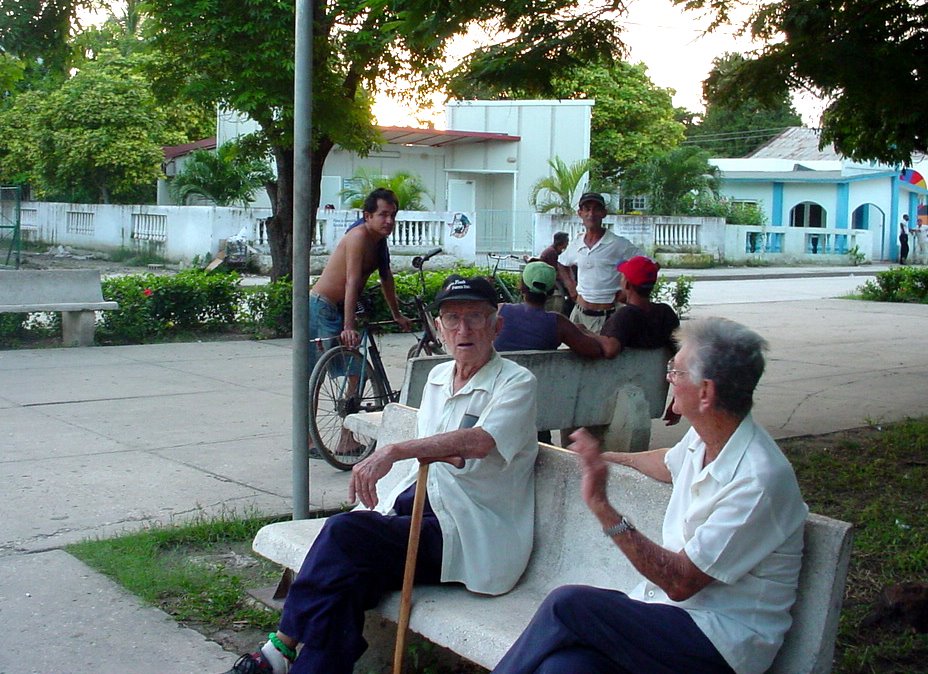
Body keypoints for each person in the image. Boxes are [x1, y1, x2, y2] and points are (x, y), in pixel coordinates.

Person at [226, 275, 538, 674]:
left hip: (472, 530)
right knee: (347, 581)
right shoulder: (439, 379)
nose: (464, 329)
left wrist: (396, 450)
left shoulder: (516, 383)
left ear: (497, 325)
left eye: (476, 317)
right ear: (439, 329)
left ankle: (277, 650)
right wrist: (444, 450)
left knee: (344, 534)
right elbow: (447, 451)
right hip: (427, 512)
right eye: (453, 318)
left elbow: (478, 442)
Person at [492, 317, 809, 674]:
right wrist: (606, 458)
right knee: (563, 668)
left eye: (676, 370)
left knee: (567, 605)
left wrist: (601, 506)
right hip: (668, 621)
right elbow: (668, 463)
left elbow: (680, 582)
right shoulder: (709, 437)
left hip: (721, 644)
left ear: (706, 392)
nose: (668, 377)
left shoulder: (759, 479)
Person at [309, 188, 412, 361]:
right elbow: (352, 280)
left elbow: (386, 278)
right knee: (320, 366)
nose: (389, 221)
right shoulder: (358, 236)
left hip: (343, 307)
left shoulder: (379, 241)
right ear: (368, 216)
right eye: (383, 215)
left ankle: (352, 390)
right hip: (324, 306)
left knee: (357, 370)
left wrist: (397, 315)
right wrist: (348, 326)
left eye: (393, 215)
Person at [592, 255, 681, 425]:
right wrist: (678, 398)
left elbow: (610, 349)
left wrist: (587, 334)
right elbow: (682, 354)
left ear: (627, 285)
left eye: (622, 277)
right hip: (647, 399)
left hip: (606, 402)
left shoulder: (625, 316)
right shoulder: (665, 314)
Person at [557, 192, 644, 332]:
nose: (591, 214)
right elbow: (562, 263)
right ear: (580, 213)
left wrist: (627, 291)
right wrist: (571, 287)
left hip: (605, 317)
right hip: (578, 314)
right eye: (587, 209)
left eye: (596, 209)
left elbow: (649, 265)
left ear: (604, 213)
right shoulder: (577, 243)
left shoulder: (618, 244)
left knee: (603, 353)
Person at [494, 261, 603, 358]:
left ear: (521, 286)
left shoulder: (498, 312)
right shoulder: (559, 324)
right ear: (552, 291)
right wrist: (582, 331)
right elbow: (595, 350)